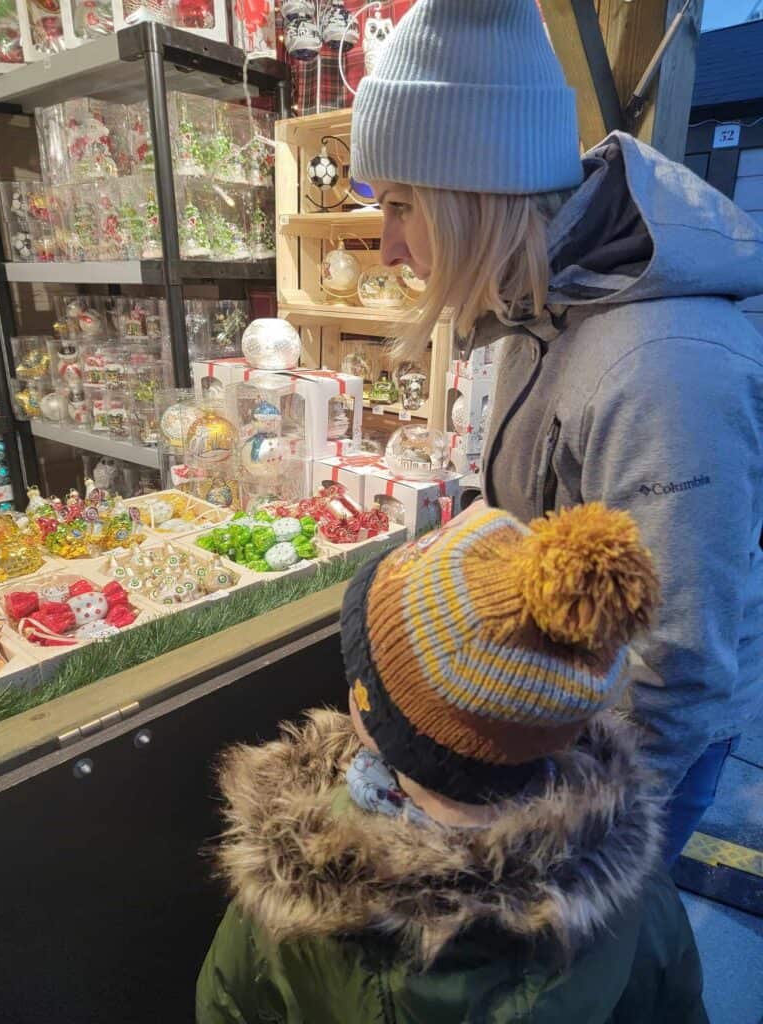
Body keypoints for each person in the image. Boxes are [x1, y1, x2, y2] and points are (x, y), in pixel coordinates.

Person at [349, 0, 763, 865]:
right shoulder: (534, 305)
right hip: (556, 705)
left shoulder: (662, 368)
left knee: (588, 966)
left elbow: (674, 666)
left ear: (471, 192)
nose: (386, 247)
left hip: (629, 747)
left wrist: (565, 849)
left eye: (399, 206)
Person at [197, 502, 707, 1023]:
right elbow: (675, 1005)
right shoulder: (629, 889)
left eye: (361, 676)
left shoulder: (290, 893)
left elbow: (229, 1003)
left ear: (372, 721)